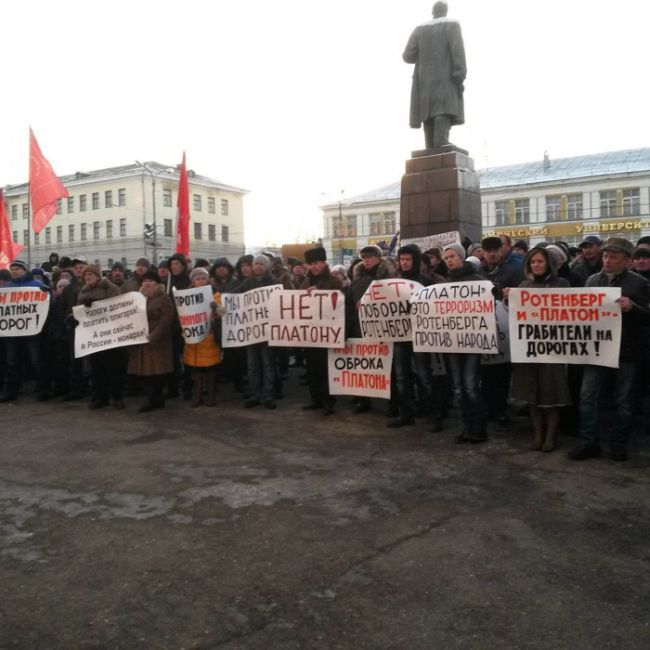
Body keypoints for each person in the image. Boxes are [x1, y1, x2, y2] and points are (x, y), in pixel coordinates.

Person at [568, 238, 650, 462]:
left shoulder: (639, 283)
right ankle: (588, 442)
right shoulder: (592, 279)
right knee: (587, 396)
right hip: (597, 349)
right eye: (605, 256)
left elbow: (647, 316)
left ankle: (618, 444)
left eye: (613, 257)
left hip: (627, 351)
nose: (607, 260)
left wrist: (633, 308)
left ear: (627, 260)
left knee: (623, 401)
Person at [507, 247, 571, 452]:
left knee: (552, 393)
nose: (536, 265)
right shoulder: (524, 285)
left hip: (553, 349)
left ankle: (551, 436)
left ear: (549, 263)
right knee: (532, 393)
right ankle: (537, 435)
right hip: (529, 349)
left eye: (540, 261)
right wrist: (509, 298)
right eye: (532, 261)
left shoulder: (562, 284)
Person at [442, 244, 489, 443]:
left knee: (470, 386)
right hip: (453, 342)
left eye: (452, 256)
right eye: (446, 258)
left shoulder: (478, 281)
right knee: (459, 388)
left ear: (461, 257)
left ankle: (479, 429)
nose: (449, 260)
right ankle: (466, 427)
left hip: (471, 343)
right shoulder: (445, 284)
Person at [403, 1, 466, 149]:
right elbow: (458, 53)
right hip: (446, 77)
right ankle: (441, 141)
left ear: (433, 12)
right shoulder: (452, 25)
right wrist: (460, 74)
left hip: (423, 79)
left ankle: (431, 145)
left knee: (428, 110)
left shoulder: (419, 30)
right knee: (442, 108)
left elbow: (407, 56)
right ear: (445, 11)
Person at [346, 245, 394, 413]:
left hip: (382, 330)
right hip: (359, 329)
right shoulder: (357, 281)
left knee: (387, 368)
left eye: (370, 257)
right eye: (364, 258)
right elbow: (349, 305)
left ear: (379, 259)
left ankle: (392, 403)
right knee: (362, 367)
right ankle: (363, 400)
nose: (366, 261)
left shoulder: (389, 279)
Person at [480, 236, 522, 424]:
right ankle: (489, 408)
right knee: (486, 373)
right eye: (489, 251)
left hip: (506, 330)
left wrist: (512, 294)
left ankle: (501, 408)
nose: (492, 254)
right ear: (483, 253)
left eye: (495, 250)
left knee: (503, 373)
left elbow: (523, 296)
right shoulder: (478, 273)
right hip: (485, 330)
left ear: (502, 251)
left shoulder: (513, 271)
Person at [298, 247, 343, 415]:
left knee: (326, 369)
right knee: (312, 368)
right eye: (310, 264)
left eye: (316, 263)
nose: (313, 267)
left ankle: (328, 402)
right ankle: (315, 399)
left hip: (327, 333)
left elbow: (339, 303)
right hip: (310, 333)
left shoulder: (334, 281)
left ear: (324, 263)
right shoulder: (306, 282)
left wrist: (320, 294)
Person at [0, 260, 50, 403]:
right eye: (12, 269)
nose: (14, 271)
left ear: (25, 270)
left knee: (36, 360)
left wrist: (48, 294)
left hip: (32, 331)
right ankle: (11, 391)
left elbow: (48, 304)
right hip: (12, 332)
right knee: (12, 362)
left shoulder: (37, 286)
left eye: (17, 268)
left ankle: (43, 390)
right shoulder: (6, 288)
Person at [76, 265, 124, 409]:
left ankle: (117, 398)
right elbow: (78, 309)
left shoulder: (111, 288)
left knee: (113, 368)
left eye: (90, 274)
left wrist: (97, 306)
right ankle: (100, 397)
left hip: (110, 334)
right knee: (97, 369)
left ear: (98, 275)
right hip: (92, 336)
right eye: (86, 275)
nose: (88, 277)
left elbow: (117, 307)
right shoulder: (83, 291)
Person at [128, 270, 175, 412]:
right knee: (145, 372)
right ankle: (152, 398)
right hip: (142, 341)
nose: (147, 283)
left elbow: (167, 319)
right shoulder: (138, 298)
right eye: (145, 281)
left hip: (157, 342)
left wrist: (154, 336)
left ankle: (154, 398)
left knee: (156, 372)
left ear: (156, 283)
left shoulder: (163, 298)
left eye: (150, 280)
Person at [238, 255, 278, 409]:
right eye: (255, 264)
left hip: (267, 332)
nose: (258, 266)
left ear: (267, 266)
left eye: (261, 264)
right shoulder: (247, 283)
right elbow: (234, 298)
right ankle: (254, 395)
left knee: (268, 364)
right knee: (252, 365)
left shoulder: (274, 284)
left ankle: (268, 395)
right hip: (251, 332)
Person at [183, 267, 222, 407]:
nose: (201, 281)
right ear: (193, 281)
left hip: (209, 337)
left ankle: (211, 396)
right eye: (197, 279)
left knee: (210, 369)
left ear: (208, 280)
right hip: (194, 339)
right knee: (196, 370)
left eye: (203, 278)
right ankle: (197, 396)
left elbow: (222, 312)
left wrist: (215, 308)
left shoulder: (215, 295)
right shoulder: (186, 296)